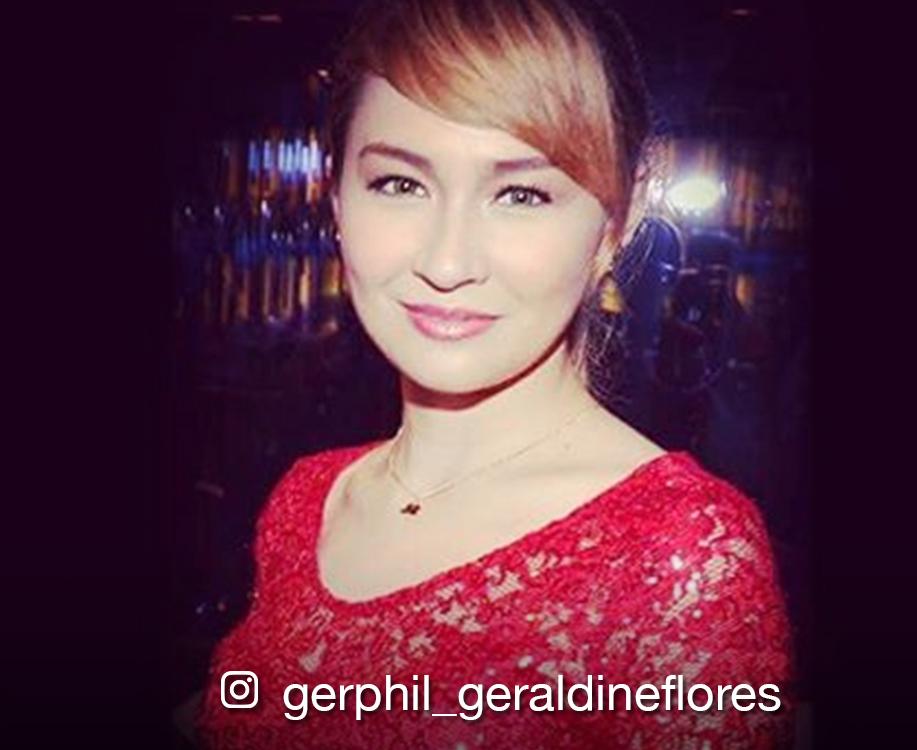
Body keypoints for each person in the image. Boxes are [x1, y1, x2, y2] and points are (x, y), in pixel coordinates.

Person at [197, 1, 793, 748]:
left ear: (618, 221)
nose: (447, 262)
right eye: (399, 184)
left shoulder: (683, 558)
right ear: (337, 195)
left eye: (521, 195)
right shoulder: (305, 501)